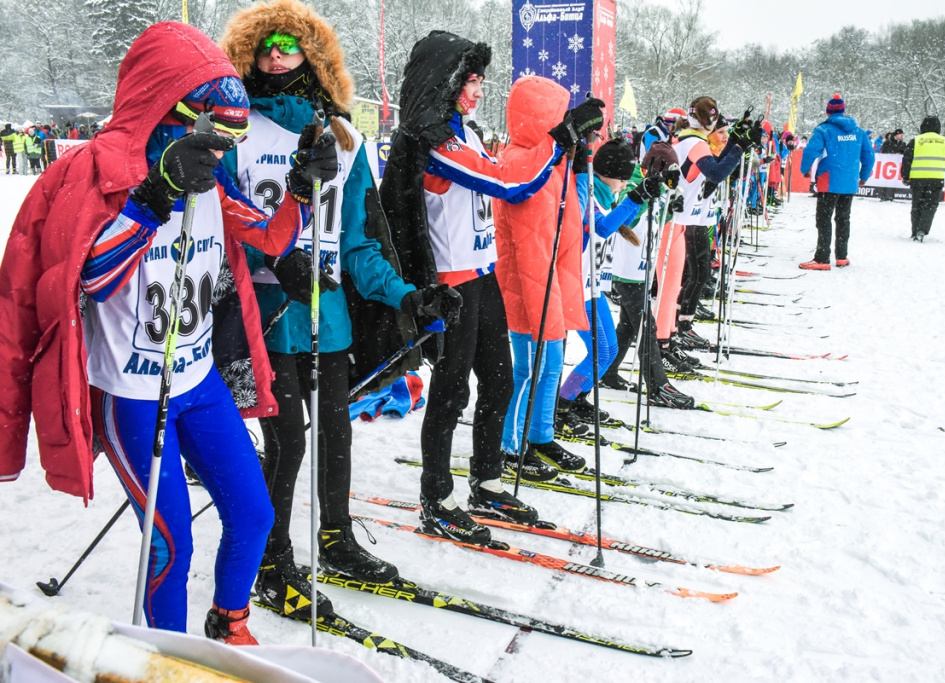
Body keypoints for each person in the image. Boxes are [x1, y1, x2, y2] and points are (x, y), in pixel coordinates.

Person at [0, 22, 310, 645]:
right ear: (169, 111)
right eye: (214, 130)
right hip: (134, 395)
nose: (224, 147)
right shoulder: (91, 172)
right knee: (170, 545)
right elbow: (84, 280)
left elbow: (267, 236)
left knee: (254, 514)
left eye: (233, 133)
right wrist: (151, 196)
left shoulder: (212, 177)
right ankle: (166, 659)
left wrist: (301, 191)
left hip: (198, 381)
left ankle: (230, 622)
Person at [219, 2, 459, 610]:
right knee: (287, 443)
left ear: (313, 55)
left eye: (290, 42)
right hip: (268, 316)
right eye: (266, 41)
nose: (276, 50)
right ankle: (270, 561)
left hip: (329, 319)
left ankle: (335, 539)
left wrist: (410, 294)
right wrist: (270, 262)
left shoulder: (345, 139)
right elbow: (219, 230)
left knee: (334, 436)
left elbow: (356, 245)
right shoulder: (234, 130)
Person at [379, 30, 566, 546]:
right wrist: (557, 142)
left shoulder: (468, 133)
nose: (479, 90)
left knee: (500, 382)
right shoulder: (432, 139)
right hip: (451, 286)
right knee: (450, 393)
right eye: (471, 80)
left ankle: (485, 482)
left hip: (483, 277)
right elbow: (510, 186)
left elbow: (503, 175)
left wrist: (556, 145)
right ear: (447, 81)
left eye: (482, 80)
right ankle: (436, 498)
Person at [493, 76, 604, 479]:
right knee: (528, 370)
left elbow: (571, 221)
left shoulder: (548, 160)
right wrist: (545, 309)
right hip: (527, 288)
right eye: (557, 116)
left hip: (549, 283)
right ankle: (507, 446)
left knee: (552, 364)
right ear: (538, 118)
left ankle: (539, 434)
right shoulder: (520, 162)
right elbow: (532, 246)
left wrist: (578, 155)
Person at [557, 138, 652, 426]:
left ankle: (575, 397)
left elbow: (616, 224)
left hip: (592, 287)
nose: (623, 185)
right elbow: (600, 228)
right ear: (608, 173)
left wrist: (642, 195)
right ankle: (561, 404)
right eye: (622, 179)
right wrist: (637, 197)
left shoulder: (602, 195)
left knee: (608, 351)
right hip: (577, 286)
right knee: (601, 352)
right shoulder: (585, 191)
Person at [601, 141, 694, 409]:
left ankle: (608, 370)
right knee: (646, 327)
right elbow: (625, 221)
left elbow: (654, 223)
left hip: (641, 269)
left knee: (629, 327)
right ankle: (657, 386)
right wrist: (646, 197)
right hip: (626, 271)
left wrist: (670, 208)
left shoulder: (656, 189)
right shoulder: (631, 187)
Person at [666, 98, 750, 352]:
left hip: (692, 217)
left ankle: (678, 326)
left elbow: (718, 171)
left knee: (696, 274)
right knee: (694, 275)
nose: (722, 137)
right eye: (720, 131)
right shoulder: (694, 142)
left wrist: (738, 144)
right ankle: (676, 328)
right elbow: (716, 172)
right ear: (711, 123)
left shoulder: (694, 141)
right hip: (683, 219)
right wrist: (739, 147)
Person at [798, 93, 874, 270]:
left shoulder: (824, 130)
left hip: (828, 181)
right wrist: (863, 176)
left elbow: (811, 151)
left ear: (828, 112)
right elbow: (869, 156)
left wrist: (805, 170)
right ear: (844, 110)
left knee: (824, 219)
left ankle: (822, 259)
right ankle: (841, 256)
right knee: (843, 218)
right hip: (849, 183)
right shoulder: (858, 131)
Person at [901, 115, 945, 241]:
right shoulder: (944, 141)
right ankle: (923, 229)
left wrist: (905, 176)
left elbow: (907, 159)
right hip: (936, 178)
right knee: (930, 205)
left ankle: (915, 230)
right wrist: (942, 162)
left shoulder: (916, 140)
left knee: (917, 205)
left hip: (917, 178)